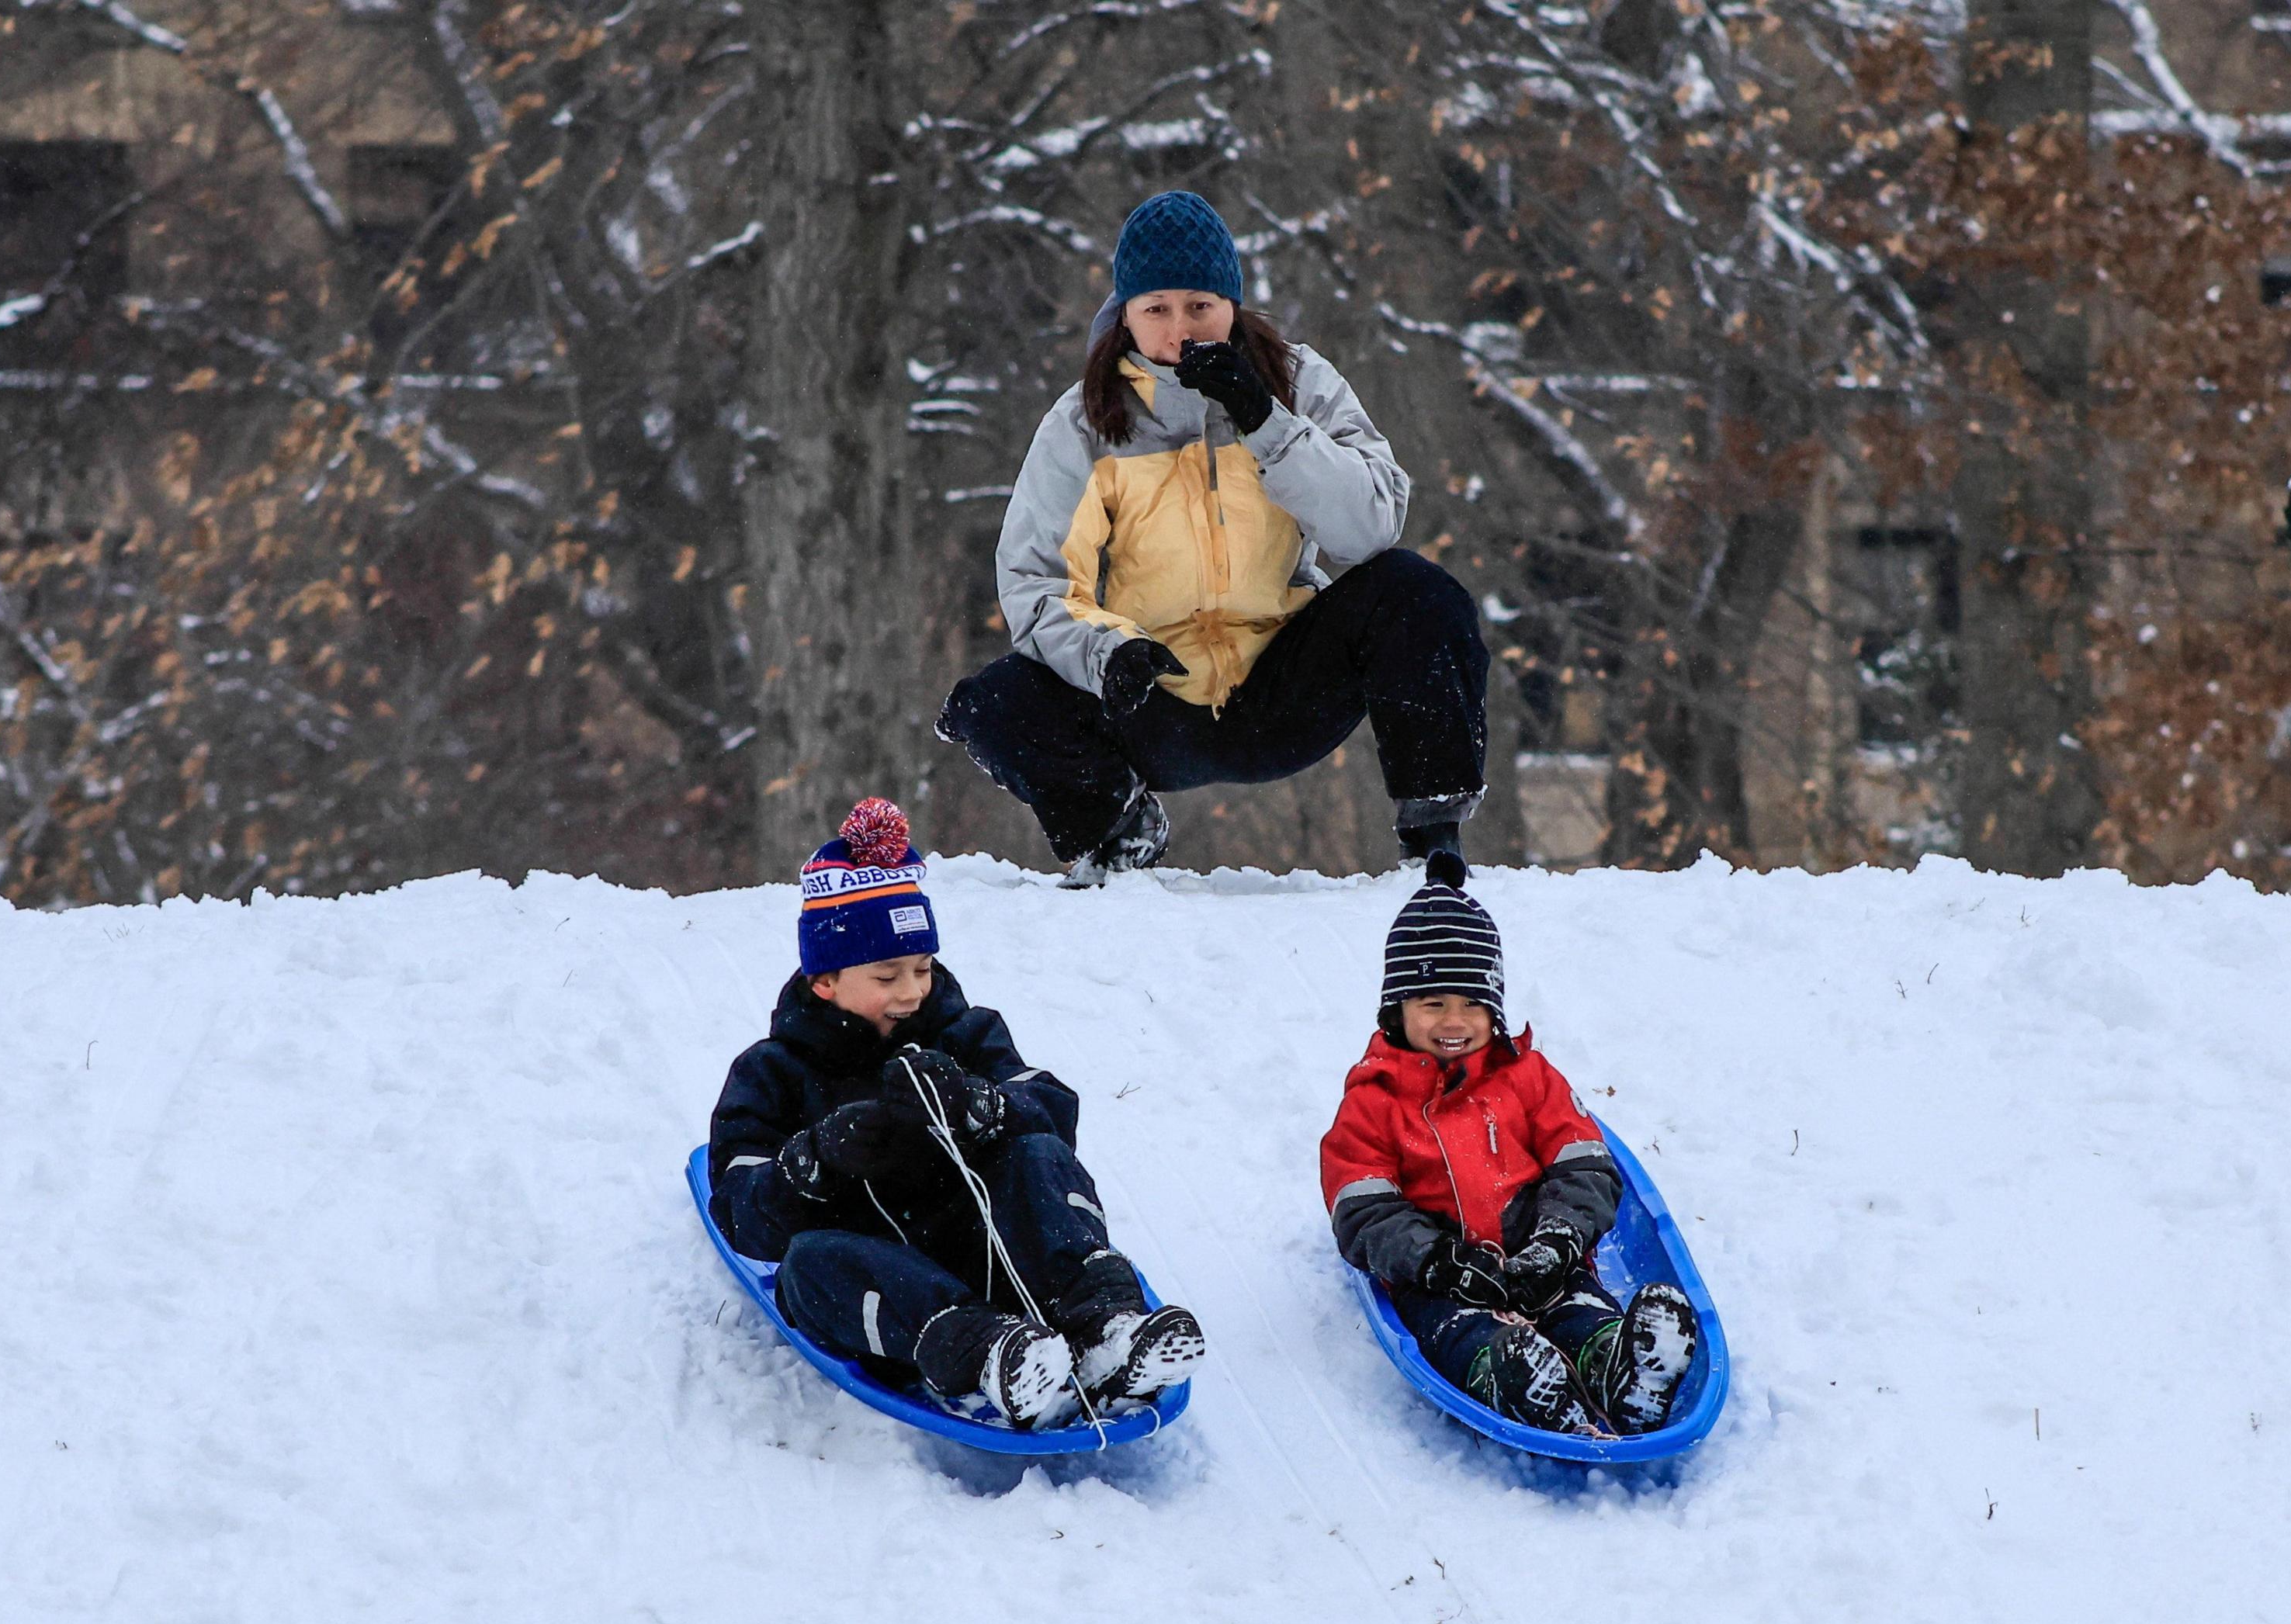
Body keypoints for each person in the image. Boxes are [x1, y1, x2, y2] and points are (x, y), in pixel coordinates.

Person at [937, 189, 1489, 888]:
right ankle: (1117, 826)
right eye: (1156, 310)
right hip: (1153, 696)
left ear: (1232, 304)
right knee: (994, 700)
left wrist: (1265, 420)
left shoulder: (1302, 382)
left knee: (1417, 591)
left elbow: (1373, 524)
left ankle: (1434, 838)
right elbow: (1036, 584)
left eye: (1200, 306)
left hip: (1284, 690)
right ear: (1126, 316)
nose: (1180, 332)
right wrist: (1110, 653)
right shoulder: (1083, 421)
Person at [706, 797, 1204, 1428]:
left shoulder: (964, 1031)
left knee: (1039, 1155)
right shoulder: (771, 1071)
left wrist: (983, 1106)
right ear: (824, 980)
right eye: (888, 976)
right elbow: (738, 1208)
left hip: (988, 1243)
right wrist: (815, 1159)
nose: (913, 991)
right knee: (807, 1264)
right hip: (893, 1278)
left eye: (922, 968)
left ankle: (1109, 1330)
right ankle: (991, 1357)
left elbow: (1053, 1109)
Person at [1316, 881, 1698, 1435]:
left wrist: (1558, 1239)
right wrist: (1439, 1261)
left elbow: (1585, 1163)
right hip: (1443, 1282)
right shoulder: (1373, 1102)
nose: (1455, 1021)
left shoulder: (1529, 1078)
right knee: (1462, 1332)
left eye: (1473, 1003)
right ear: (1398, 1008)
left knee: (1581, 1308)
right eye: (1434, 1003)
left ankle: (1620, 1369)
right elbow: (1364, 1211)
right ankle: (1515, 1380)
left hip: (1543, 1262)